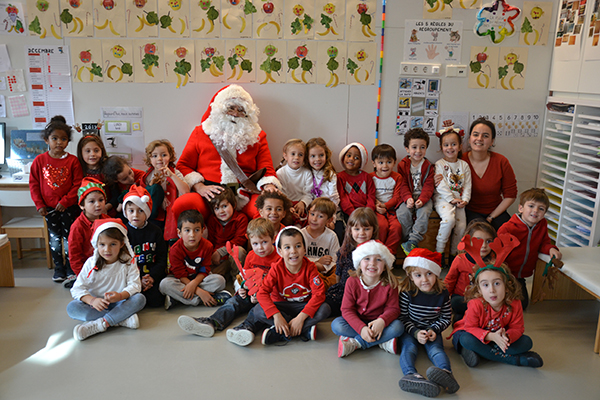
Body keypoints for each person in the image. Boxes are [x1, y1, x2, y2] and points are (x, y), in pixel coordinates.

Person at [177, 85, 281, 221]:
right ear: (220, 108)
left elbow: (267, 169)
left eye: (241, 110)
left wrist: (269, 184)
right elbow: (183, 165)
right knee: (184, 204)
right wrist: (200, 187)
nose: (235, 114)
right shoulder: (201, 132)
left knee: (266, 211)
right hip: (210, 195)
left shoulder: (257, 136)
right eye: (231, 108)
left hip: (244, 194)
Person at [177, 218, 280, 345]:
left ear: (273, 239)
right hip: (251, 294)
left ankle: (246, 329)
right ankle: (212, 322)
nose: (260, 248)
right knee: (233, 302)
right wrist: (242, 289)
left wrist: (262, 296)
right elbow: (245, 277)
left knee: (257, 312)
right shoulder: (251, 256)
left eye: (264, 242)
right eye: (255, 244)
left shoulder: (279, 258)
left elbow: (281, 284)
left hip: (269, 297)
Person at [451, 233, 543, 368]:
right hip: (477, 335)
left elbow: (518, 328)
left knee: (526, 342)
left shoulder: (514, 303)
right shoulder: (475, 304)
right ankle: (514, 360)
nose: (492, 290)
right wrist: (491, 336)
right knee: (465, 339)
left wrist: (505, 337)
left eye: (497, 283)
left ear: (507, 285)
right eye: (485, 285)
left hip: (498, 338)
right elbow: (470, 328)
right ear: (479, 290)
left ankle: (483, 353)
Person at [67, 218, 146, 341]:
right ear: (96, 244)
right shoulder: (91, 263)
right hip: (97, 306)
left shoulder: (129, 261)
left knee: (140, 298)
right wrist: (92, 300)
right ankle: (120, 320)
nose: (107, 250)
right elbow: (77, 289)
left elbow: (135, 285)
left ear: (122, 244)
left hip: (120, 302)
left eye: (113, 244)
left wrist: (120, 296)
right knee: (72, 307)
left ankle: (102, 323)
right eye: (102, 244)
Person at [253, 226, 331, 345]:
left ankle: (282, 332)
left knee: (324, 309)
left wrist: (301, 318)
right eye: (287, 247)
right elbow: (262, 292)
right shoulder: (276, 268)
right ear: (280, 251)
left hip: (302, 307)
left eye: (298, 246)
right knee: (258, 310)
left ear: (304, 249)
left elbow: (319, 294)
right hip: (282, 306)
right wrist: (277, 316)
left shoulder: (310, 267)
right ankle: (303, 330)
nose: (293, 251)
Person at [398, 248, 458, 398]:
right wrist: (415, 332)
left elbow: (446, 317)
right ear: (411, 276)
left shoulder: (442, 293)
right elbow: (402, 317)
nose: (424, 279)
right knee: (409, 348)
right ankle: (410, 375)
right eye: (418, 275)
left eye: (429, 273)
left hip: (432, 330)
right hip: (411, 330)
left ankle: (446, 373)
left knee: (436, 350)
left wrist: (434, 330)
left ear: (436, 273)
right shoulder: (407, 292)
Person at [30, 116, 83, 283]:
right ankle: (59, 268)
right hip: (49, 209)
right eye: (54, 138)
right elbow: (34, 184)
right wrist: (39, 204)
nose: (59, 142)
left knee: (69, 239)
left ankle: (70, 268)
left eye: (63, 139)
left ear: (68, 141)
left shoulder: (73, 161)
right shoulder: (39, 160)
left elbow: (78, 184)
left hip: (69, 208)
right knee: (54, 239)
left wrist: (65, 201)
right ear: (47, 140)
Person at [333, 240, 403, 357]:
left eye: (378, 259)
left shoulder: (390, 284)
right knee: (337, 325)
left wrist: (382, 321)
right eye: (367, 259)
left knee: (398, 327)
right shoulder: (351, 282)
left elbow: (393, 309)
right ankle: (383, 341)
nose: (372, 263)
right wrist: (361, 329)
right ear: (359, 264)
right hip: (358, 321)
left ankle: (356, 343)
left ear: (385, 267)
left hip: (379, 324)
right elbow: (347, 309)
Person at [498, 188, 562, 310]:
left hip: (520, 276)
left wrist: (551, 249)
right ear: (521, 208)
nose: (535, 211)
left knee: (522, 305)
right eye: (531, 206)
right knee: (502, 301)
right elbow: (498, 250)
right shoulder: (508, 228)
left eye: (541, 208)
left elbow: (543, 243)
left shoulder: (542, 225)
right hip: (504, 274)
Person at [159, 210, 230, 309]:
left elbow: (204, 270)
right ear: (179, 232)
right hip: (180, 280)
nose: (192, 235)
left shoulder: (208, 246)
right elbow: (180, 274)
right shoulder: (175, 250)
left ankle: (178, 299)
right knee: (164, 284)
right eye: (187, 230)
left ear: (202, 231)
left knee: (220, 281)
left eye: (196, 230)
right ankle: (202, 299)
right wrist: (200, 292)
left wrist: (194, 284)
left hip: (199, 278)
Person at [460, 117, 517, 230]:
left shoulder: (501, 162)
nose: (479, 139)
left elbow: (510, 195)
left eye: (485, 136)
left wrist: (491, 216)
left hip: (496, 211)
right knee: (481, 233)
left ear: (492, 141)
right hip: (469, 211)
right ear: (469, 138)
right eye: (475, 135)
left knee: (509, 232)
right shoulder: (460, 161)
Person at [326, 207, 379, 317]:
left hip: (366, 294)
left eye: (366, 229)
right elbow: (338, 274)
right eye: (357, 229)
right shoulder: (345, 251)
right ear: (350, 230)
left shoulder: (377, 252)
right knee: (324, 306)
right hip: (344, 292)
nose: (361, 233)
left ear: (373, 229)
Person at [123, 185, 168, 308]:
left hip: (152, 276)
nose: (135, 215)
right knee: (134, 297)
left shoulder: (156, 231)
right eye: (131, 211)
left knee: (156, 300)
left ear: (147, 212)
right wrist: (138, 280)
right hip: (131, 278)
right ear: (125, 212)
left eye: (140, 210)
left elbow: (161, 258)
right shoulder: (123, 232)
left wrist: (152, 277)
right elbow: (121, 262)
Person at [433, 123, 471, 266]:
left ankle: (454, 255)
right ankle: (439, 252)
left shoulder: (464, 165)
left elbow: (468, 184)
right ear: (441, 147)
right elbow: (441, 185)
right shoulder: (439, 164)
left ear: (460, 147)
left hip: (459, 200)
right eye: (446, 145)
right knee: (449, 220)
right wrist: (451, 199)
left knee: (461, 226)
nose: (450, 148)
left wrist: (465, 199)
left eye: (453, 144)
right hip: (443, 199)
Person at [445, 221, 496, 323]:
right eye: (478, 241)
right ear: (469, 241)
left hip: (484, 300)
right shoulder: (460, 259)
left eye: (488, 241)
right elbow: (450, 280)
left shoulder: (494, 261)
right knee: (455, 303)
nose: (484, 246)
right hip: (462, 298)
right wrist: (443, 299)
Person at [396, 128, 435, 256]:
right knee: (402, 213)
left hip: (423, 197)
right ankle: (408, 240)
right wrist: (407, 198)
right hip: (407, 196)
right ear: (407, 149)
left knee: (424, 212)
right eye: (414, 147)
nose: (418, 151)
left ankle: (414, 240)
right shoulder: (403, 165)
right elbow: (403, 184)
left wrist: (422, 200)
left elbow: (429, 186)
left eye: (422, 147)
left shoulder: (428, 166)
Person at [142, 140, 190, 242]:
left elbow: (186, 191)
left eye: (164, 155)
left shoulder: (175, 172)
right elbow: (143, 193)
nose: (159, 159)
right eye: (155, 156)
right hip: (154, 214)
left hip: (171, 212)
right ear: (150, 159)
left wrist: (172, 176)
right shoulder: (148, 175)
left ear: (170, 156)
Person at [67, 178, 110, 287]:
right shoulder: (77, 227)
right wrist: (82, 276)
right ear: (82, 205)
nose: (98, 204)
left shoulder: (108, 220)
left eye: (101, 200)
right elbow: (74, 256)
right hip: (87, 269)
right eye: (92, 201)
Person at [206, 187, 248, 282]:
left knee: (238, 251)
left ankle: (237, 281)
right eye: (217, 208)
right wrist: (214, 255)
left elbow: (239, 240)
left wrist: (221, 252)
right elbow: (210, 241)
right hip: (217, 258)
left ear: (233, 205)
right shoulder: (212, 220)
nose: (221, 211)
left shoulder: (241, 219)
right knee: (211, 277)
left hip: (233, 256)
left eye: (224, 206)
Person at [370, 144, 403, 255]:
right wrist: (377, 206)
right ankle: (378, 253)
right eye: (380, 162)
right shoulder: (370, 177)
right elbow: (369, 195)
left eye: (389, 162)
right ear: (374, 163)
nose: (385, 166)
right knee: (381, 226)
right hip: (376, 210)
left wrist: (385, 206)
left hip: (391, 210)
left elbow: (397, 197)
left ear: (394, 162)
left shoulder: (397, 177)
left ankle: (388, 255)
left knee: (397, 228)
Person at [301, 198, 340, 288]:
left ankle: (321, 286)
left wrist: (321, 266)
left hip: (326, 271)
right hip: (308, 269)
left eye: (320, 216)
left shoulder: (332, 236)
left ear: (329, 220)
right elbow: (298, 258)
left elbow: (334, 260)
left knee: (338, 271)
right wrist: (316, 263)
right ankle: (323, 287)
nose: (314, 219)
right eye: (312, 214)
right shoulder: (301, 234)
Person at [276, 138, 313, 222]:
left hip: (301, 205)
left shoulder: (307, 173)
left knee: (305, 220)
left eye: (300, 155)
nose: (296, 157)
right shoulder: (280, 173)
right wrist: (288, 206)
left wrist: (303, 203)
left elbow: (309, 193)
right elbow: (281, 193)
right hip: (286, 205)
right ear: (285, 156)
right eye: (293, 154)